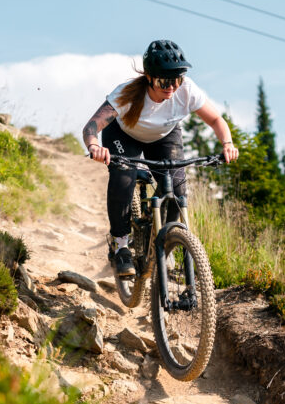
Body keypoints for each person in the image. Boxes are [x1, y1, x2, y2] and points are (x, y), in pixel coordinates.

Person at [82, 39, 239, 276]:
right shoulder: (126, 94)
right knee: (123, 177)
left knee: (177, 190)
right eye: (164, 81)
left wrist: (227, 144)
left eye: (177, 79)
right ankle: (120, 245)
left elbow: (216, 119)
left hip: (164, 135)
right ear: (149, 77)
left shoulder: (186, 90)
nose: (172, 87)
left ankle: (164, 242)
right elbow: (92, 126)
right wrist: (94, 145)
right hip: (124, 135)